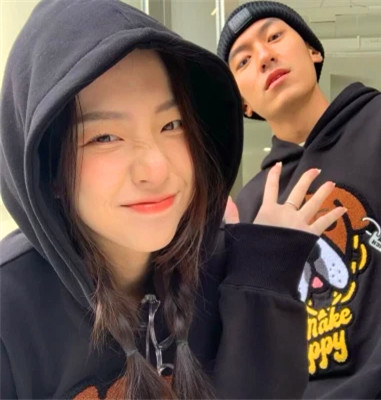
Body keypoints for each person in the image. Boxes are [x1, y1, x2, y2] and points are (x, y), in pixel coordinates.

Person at [0, 0, 346, 398]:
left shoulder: (223, 266)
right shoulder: (12, 311)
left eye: (172, 124)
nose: (156, 168)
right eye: (105, 137)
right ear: (48, 168)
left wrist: (266, 270)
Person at [218, 1, 381, 399]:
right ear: (243, 103)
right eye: (243, 61)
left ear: (313, 51)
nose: (264, 57)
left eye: (274, 36)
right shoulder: (248, 208)